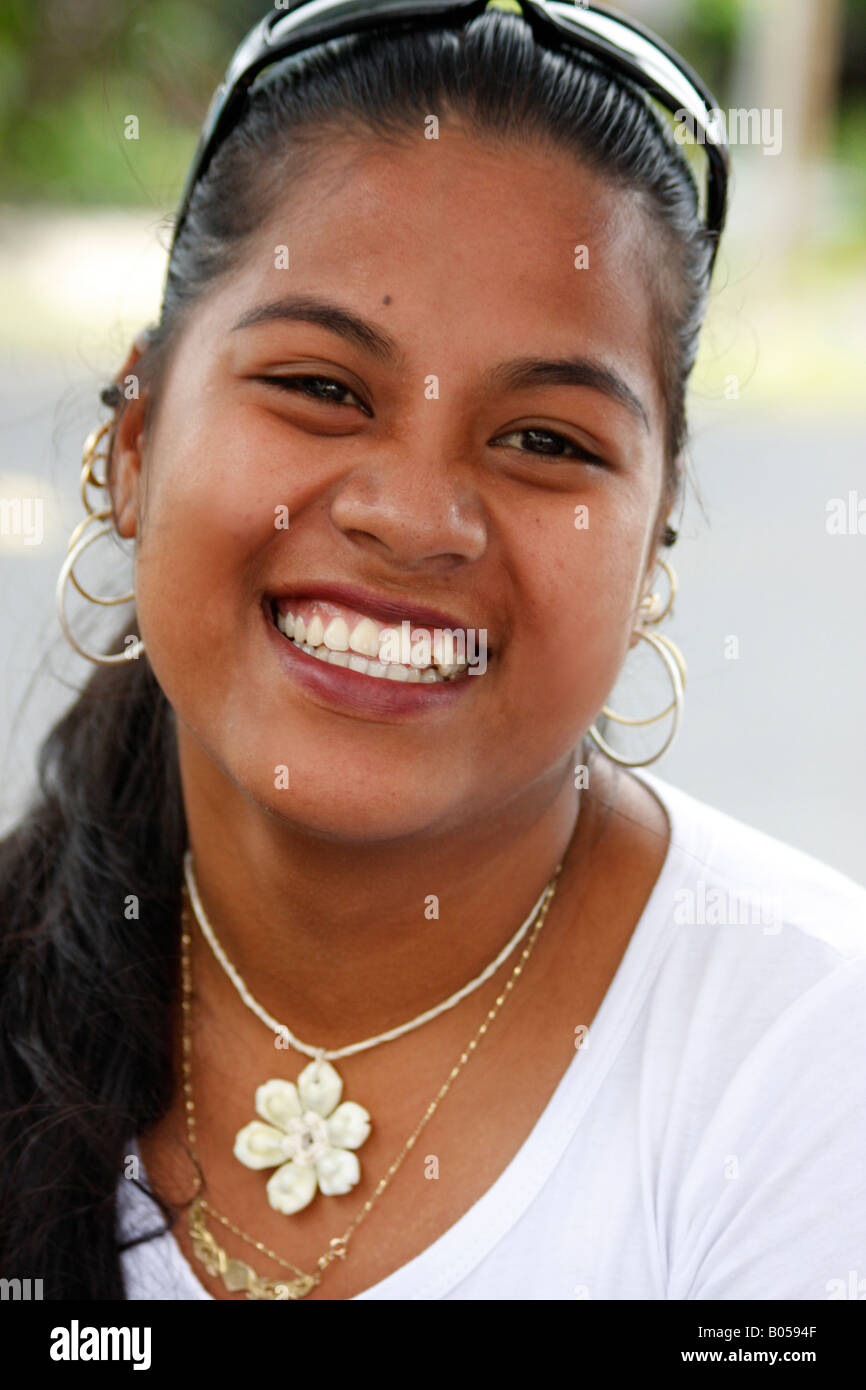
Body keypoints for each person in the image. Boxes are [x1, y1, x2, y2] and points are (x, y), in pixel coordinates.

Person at [1, 0, 864, 1302]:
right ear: (134, 443)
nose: (412, 518)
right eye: (321, 387)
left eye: (545, 441)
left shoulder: (808, 1066)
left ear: (650, 553)